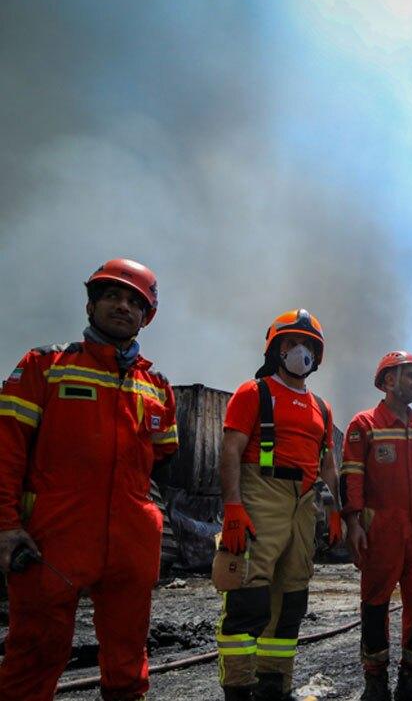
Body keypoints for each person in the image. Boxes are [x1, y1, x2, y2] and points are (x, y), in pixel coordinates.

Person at [0, 259, 178, 701]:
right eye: (112, 296)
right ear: (91, 305)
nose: (123, 307)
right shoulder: (45, 366)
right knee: (34, 654)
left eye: (134, 302)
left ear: (146, 317)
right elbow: (7, 451)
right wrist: (6, 526)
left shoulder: (156, 385)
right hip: (55, 535)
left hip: (130, 539)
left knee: (128, 658)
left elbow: (161, 454)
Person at [215, 309, 343, 701]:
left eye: (308, 345)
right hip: (261, 493)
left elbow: (328, 465)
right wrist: (233, 508)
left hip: (305, 503)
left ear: (317, 357)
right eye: (291, 343)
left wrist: (337, 508)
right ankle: (238, 689)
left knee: (290, 600)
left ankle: (274, 687)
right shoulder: (253, 393)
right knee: (248, 598)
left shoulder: (322, 407)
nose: (299, 350)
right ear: (275, 349)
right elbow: (231, 450)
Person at [341, 351, 412, 701]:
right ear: (389, 380)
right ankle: (375, 682)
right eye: (411, 375)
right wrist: (353, 522)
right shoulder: (364, 425)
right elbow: (352, 477)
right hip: (382, 528)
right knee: (375, 604)